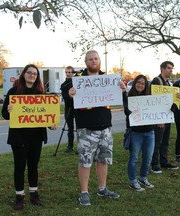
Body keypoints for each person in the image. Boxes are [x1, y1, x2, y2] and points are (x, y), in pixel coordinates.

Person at [68, 50, 126, 206]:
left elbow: (119, 97)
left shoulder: (108, 79)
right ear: (86, 62)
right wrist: (70, 93)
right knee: (85, 161)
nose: (93, 61)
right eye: (90, 59)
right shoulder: (78, 79)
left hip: (105, 127)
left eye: (96, 58)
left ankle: (102, 188)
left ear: (99, 60)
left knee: (103, 160)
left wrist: (122, 89)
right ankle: (84, 192)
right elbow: (67, 97)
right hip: (86, 128)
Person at [1, 64, 57, 210]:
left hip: (36, 136)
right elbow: (5, 115)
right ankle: (19, 196)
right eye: (29, 73)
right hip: (19, 137)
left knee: (33, 166)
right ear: (24, 74)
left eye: (35, 74)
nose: (32, 75)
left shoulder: (41, 93)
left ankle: (34, 194)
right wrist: (8, 109)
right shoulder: (13, 91)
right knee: (19, 167)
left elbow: (45, 116)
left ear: (37, 77)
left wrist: (52, 124)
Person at [123, 75, 155, 192]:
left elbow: (160, 108)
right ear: (135, 83)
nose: (140, 85)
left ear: (146, 85)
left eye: (143, 83)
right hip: (135, 133)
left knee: (148, 158)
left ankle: (143, 178)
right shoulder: (129, 97)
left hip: (150, 132)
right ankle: (132, 181)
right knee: (134, 158)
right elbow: (127, 112)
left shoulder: (150, 98)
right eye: (138, 82)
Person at [150, 61, 178, 174]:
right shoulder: (157, 81)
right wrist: (158, 119)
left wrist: (178, 97)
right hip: (160, 117)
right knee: (157, 142)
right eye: (168, 68)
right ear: (162, 69)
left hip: (167, 116)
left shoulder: (168, 83)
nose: (171, 70)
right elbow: (154, 100)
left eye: (172, 68)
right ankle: (154, 164)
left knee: (165, 140)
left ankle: (164, 161)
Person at [60, 66, 76, 153]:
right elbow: (65, 98)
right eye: (67, 72)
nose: (68, 74)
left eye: (70, 72)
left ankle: (81, 146)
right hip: (68, 107)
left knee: (80, 128)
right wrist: (70, 95)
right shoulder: (63, 85)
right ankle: (70, 146)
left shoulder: (77, 82)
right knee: (70, 128)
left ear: (72, 73)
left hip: (77, 108)